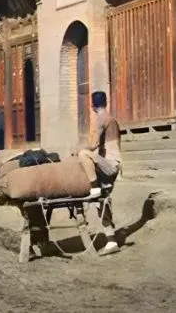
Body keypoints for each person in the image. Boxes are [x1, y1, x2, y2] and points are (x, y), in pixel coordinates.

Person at [76, 90, 122, 256]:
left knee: (83, 154)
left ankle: (94, 186)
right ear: (106, 102)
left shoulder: (102, 118)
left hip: (110, 165)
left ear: (93, 106)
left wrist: (79, 150)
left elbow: (94, 144)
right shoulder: (111, 119)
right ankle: (112, 241)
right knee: (101, 202)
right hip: (113, 164)